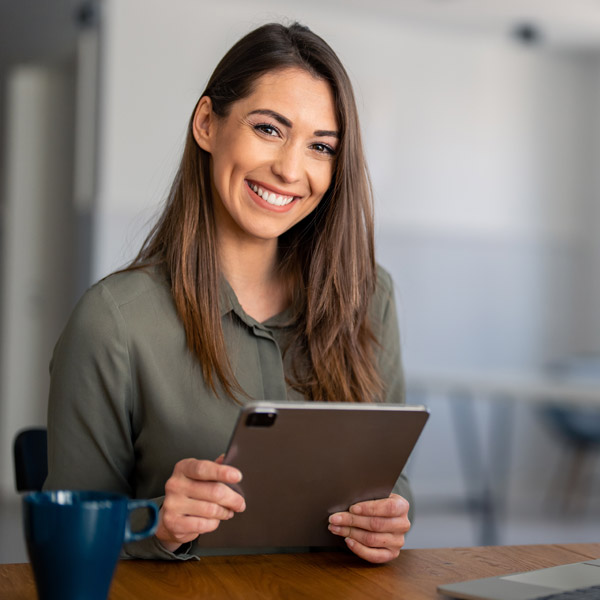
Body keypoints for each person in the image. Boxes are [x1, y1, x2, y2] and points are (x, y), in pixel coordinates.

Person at [44, 22, 412, 564]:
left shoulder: (369, 296)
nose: (290, 169)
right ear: (206, 124)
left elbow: (390, 479)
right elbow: (64, 539)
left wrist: (387, 519)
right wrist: (157, 525)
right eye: (268, 129)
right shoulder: (114, 322)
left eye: (321, 147)